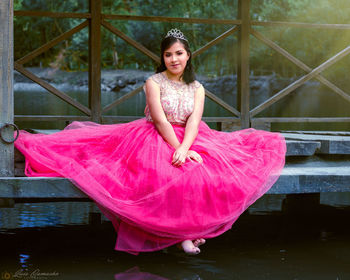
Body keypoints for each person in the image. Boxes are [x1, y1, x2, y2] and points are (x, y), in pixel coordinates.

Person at [14, 28, 286, 255]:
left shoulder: (197, 87)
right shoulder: (153, 82)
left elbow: (194, 120)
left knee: (208, 173)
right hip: (154, 135)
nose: (173, 59)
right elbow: (159, 120)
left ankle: (191, 232)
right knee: (161, 173)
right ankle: (183, 235)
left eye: (179, 53)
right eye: (168, 54)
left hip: (192, 136)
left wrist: (186, 147)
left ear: (188, 56)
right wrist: (177, 148)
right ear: (163, 58)